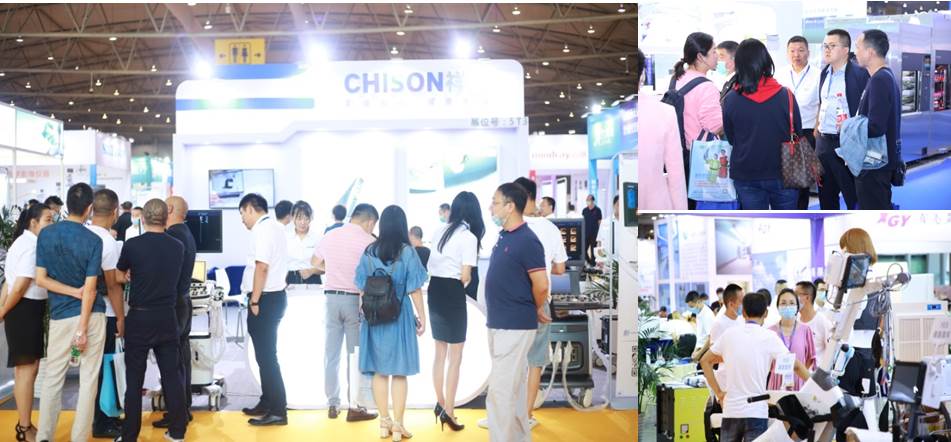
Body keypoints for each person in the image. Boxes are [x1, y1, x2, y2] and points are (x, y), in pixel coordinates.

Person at [34, 183, 106, 442]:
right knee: (88, 381)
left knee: (53, 378)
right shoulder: (94, 240)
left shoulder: (46, 235)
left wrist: (70, 292)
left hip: (59, 317)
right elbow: (90, 290)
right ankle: (79, 438)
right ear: (89, 208)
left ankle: (44, 436)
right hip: (91, 318)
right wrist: (82, 330)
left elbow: (40, 279)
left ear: (66, 205)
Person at [115, 198, 188, 442]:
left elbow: (119, 276)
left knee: (134, 379)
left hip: (140, 316)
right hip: (167, 316)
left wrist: (131, 276)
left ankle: (129, 436)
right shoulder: (177, 246)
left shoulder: (132, 245)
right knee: (172, 376)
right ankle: (177, 432)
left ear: (143, 218)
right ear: (166, 218)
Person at [354, 205, 428, 441]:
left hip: (375, 316)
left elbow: (361, 287)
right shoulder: (408, 252)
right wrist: (422, 317)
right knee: (399, 372)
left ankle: (383, 423)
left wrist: (366, 310)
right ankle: (398, 425)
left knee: (379, 371)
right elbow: (415, 289)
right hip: (399, 315)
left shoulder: (369, 251)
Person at [483, 182, 549, 442]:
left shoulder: (527, 240)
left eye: (495, 202)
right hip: (500, 323)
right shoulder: (505, 236)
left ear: (510, 206)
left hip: (514, 325)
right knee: (515, 389)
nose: (491, 207)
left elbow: (541, 285)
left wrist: (535, 307)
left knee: (499, 392)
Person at [700, 291, 811, 442]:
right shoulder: (770, 337)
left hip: (731, 410)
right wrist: (815, 384)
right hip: (756, 412)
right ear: (765, 313)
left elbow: (705, 361)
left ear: (743, 312)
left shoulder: (729, 335)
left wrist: (719, 393)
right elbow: (796, 366)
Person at [311, 204, 380, 422]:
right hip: (354, 301)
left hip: (331, 299)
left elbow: (314, 262)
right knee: (354, 355)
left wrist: (332, 268)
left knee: (331, 354)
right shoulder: (369, 241)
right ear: (370, 221)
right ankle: (355, 405)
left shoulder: (330, 235)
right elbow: (375, 273)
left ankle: (333, 403)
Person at [511, 178, 567, 431]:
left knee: (511, 360)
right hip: (540, 299)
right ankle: (526, 415)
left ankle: (508, 413)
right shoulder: (550, 228)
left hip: (513, 301)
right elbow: (560, 268)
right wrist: (544, 269)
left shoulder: (511, 225)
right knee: (535, 361)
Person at [722, 38, 802, 210]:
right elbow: (798, 131)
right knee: (788, 221)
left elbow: (731, 137)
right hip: (784, 171)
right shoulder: (786, 95)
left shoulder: (731, 99)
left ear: (739, 64)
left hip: (746, 172)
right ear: (766, 61)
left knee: (756, 220)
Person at [427, 192, 481, 432]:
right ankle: (449, 411)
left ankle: (440, 403)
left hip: (435, 289)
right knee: (455, 356)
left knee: (439, 352)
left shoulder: (439, 230)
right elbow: (466, 276)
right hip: (452, 290)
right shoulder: (468, 237)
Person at [0, 203, 53, 442]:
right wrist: (3, 311)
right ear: (34, 222)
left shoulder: (22, 243)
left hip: (23, 310)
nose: (51, 225)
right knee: (26, 371)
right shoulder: (30, 246)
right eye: (48, 220)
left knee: (27, 370)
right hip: (24, 310)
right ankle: (24, 427)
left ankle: (25, 424)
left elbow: (8, 282)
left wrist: (3, 309)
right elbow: (19, 285)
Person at [237, 193, 290, 426]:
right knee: (263, 356)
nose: (242, 219)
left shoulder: (263, 230)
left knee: (267, 358)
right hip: (273, 298)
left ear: (250, 208)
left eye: (242, 213)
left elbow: (262, 267)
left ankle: (278, 410)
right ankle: (267, 401)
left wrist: (255, 300)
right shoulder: (275, 227)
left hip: (265, 300)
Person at [151, 196, 198, 429]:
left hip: (173, 305)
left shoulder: (172, 236)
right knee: (181, 358)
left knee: (172, 360)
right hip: (183, 301)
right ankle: (183, 408)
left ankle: (177, 412)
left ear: (169, 209)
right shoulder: (186, 233)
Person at [87, 190, 127, 439]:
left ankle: (97, 417)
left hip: (82, 311)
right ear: (115, 211)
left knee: (91, 368)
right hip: (106, 313)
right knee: (106, 367)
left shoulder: (83, 235)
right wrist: (121, 318)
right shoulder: (108, 241)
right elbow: (112, 286)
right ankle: (103, 420)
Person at [816, 29, 870, 210]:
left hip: (847, 144)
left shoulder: (859, 74)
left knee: (853, 197)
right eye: (825, 46)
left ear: (846, 50)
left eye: (832, 46)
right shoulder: (824, 73)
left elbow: (866, 111)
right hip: (824, 144)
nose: (827, 50)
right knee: (826, 198)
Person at [671, 32, 724, 209]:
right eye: (714, 51)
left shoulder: (676, 79)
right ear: (701, 56)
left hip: (678, 156)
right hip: (701, 160)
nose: (717, 56)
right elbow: (715, 126)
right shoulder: (706, 87)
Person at [853, 29, 901, 210]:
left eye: (858, 47)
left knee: (873, 211)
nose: (855, 52)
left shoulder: (880, 79)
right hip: (879, 161)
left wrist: (849, 127)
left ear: (870, 52)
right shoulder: (883, 77)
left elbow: (875, 127)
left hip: (875, 163)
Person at [638, 47, 687, 210]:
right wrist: (681, 212)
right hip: (657, 204)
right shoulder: (665, 112)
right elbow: (676, 173)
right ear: (643, 75)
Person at [777, 36, 822, 210]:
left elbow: (822, 103)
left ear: (808, 53)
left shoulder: (818, 75)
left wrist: (817, 128)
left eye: (801, 50)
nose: (796, 55)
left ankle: (801, 210)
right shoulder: (779, 74)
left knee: (803, 179)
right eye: (792, 51)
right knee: (783, 177)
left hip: (807, 133)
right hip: (783, 132)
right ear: (787, 53)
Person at [701, 284, 745, 442]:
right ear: (732, 303)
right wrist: (734, 355)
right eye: (741, 300)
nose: (744, 304)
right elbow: (712, 358)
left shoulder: (741, 321)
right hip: (725, 382)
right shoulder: (719, 324)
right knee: (729, 430)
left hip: (741, 383)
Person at [767, 289, 816, 391]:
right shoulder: (770, 332)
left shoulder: (806, 330)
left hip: (799, 384)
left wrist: (799, 372)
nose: (787, 306)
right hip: (776, 383)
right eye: (783, 303)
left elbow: (810, 358)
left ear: (797, 307)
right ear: (778, 307)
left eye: (792, 303)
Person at [285, 201, 323, 285]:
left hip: (313, 279)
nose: (303, 222)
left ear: (311, 218)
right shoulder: (286, 237)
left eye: (306, 218)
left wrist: (311, 271)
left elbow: (325, 266)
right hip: (291, 279)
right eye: (299, 218)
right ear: (293, 218)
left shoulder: (317, 238)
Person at [796, 281, 833, 360]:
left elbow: (831, 352)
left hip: (816, 367)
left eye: (796, 295)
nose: (792, 298)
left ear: (807, 298)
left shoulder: (823, 322)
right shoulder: (795, 320)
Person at [685, 291, 715, 357]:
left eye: (691, 306)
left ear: (698, 302)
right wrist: (695, 351)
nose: (691, 309)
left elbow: (711, 338)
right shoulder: (699, 312)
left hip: (707, 350)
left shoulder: (707, 314)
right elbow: (700, 336)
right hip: (700, 349)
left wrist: (699, 354)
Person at [581, 195, 601, 267]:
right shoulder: (584, 210)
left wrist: (599, 234)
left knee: (593, 251)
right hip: (586, 233)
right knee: (583, 250)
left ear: (592, 201)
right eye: (587, 200)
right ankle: (589, 262)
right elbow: (583, 221)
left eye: (589, 200)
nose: (587, 201)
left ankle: (593, 264)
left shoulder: (597, 210)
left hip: (594, 234)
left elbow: (599, 222)